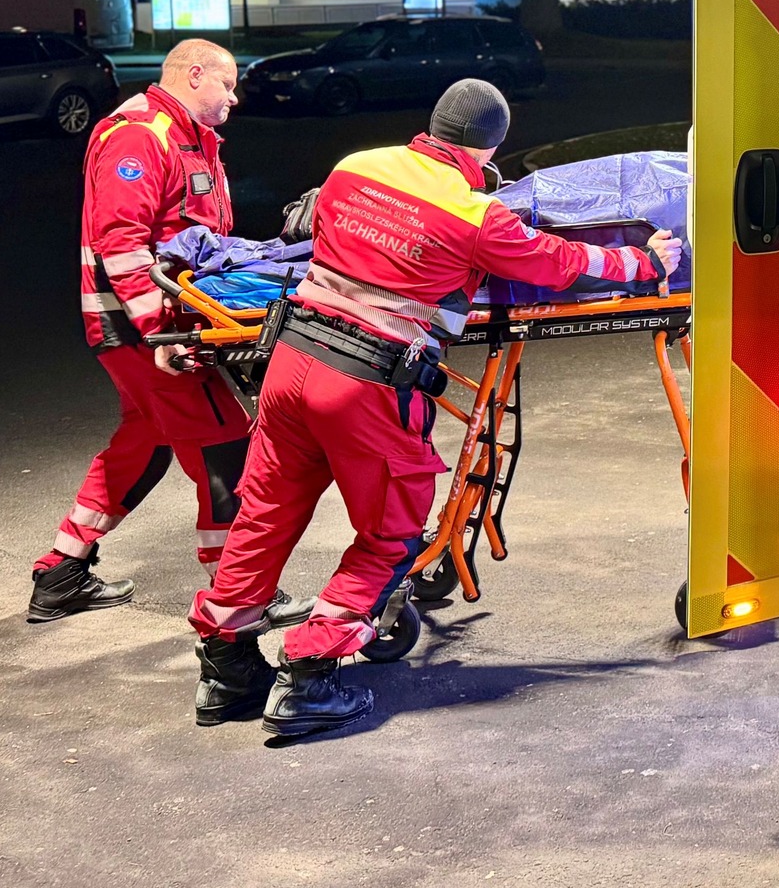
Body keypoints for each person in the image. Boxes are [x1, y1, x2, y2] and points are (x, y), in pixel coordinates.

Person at [188, 79, 682, 736]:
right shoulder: (476, 214)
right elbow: (555, 262)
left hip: (291, 361)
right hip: (364, 383)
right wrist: (642, 261)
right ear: (492, 146)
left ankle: (226, 672)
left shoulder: (355, 167)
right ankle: (309, 678)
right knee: (391, 535)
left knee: (265, 515)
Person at [31, 39, 293, 626]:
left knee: (146, 441)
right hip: (139, 327)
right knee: (226, 443)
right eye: (226, 85)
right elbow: (122, 244)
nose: (234, 98)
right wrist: (161, 332)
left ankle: (61, 571)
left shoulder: (183, 136)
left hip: (146, 324)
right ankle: (238, 593)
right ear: (194, 74)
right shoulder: (141, 135)